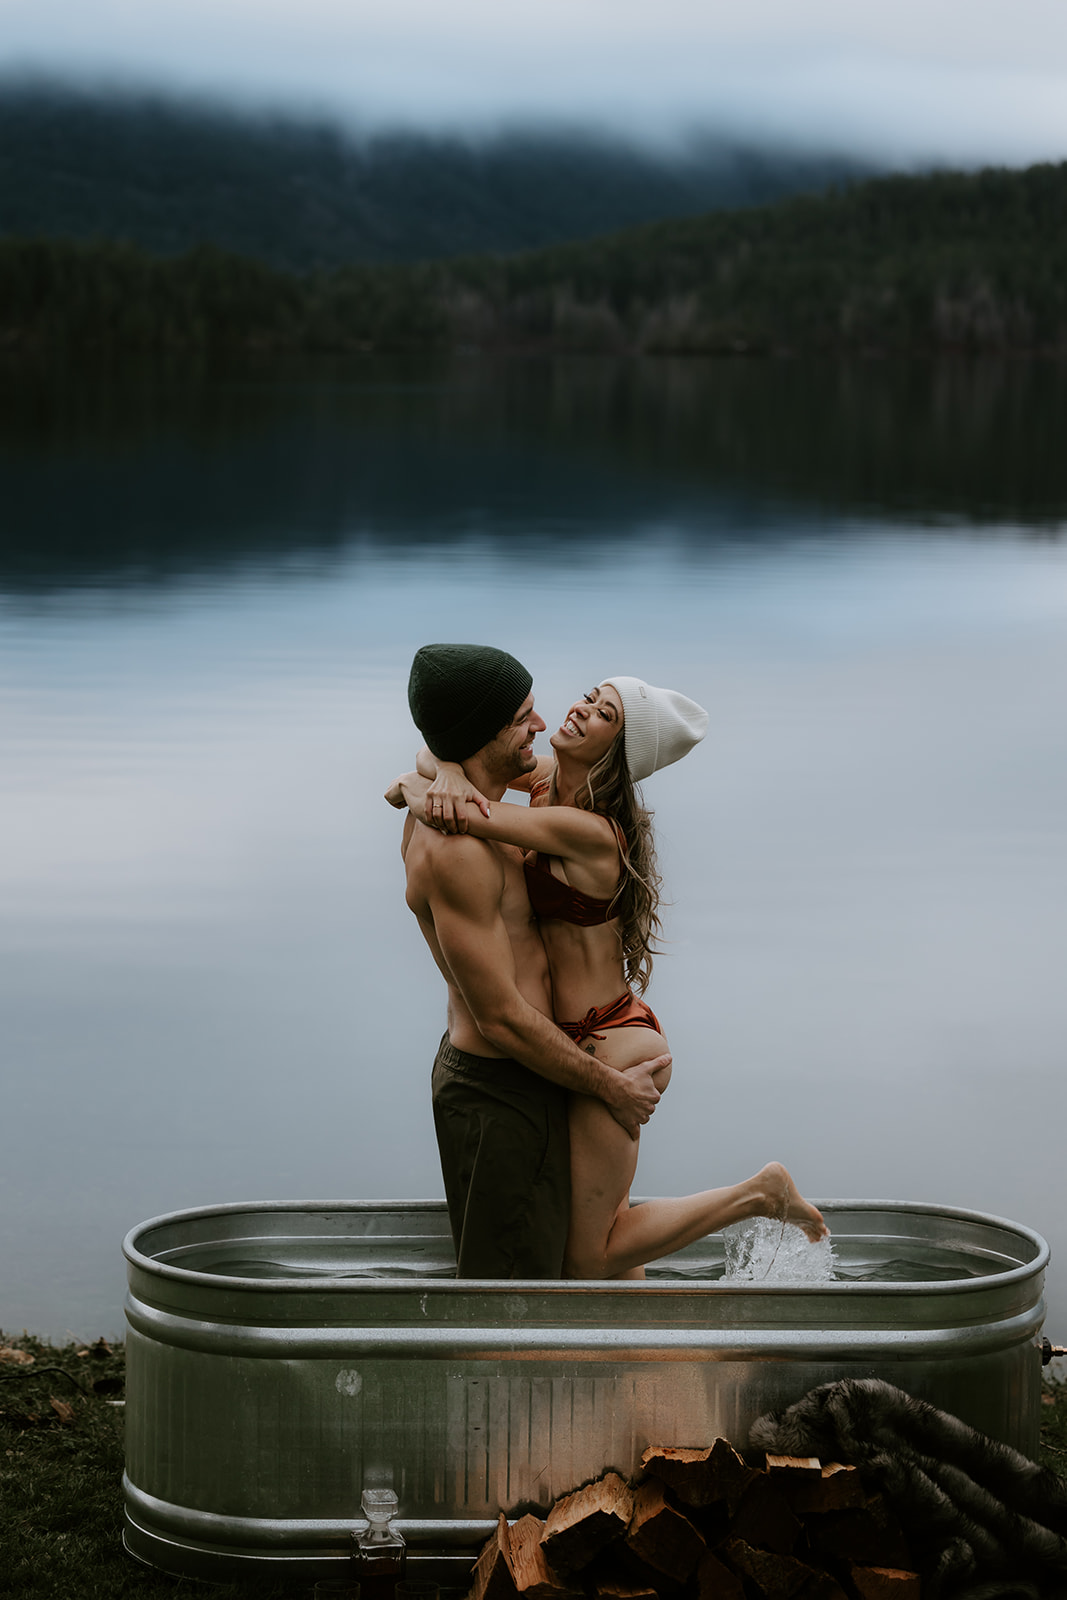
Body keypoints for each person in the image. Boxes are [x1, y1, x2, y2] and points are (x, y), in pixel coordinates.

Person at [392, 667, 827, 1280]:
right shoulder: (545, 786)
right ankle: (637, 1349)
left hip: (612, 1043)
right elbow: (438, 755)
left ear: (617, 754)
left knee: (591, 1251)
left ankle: (758, 1194)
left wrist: (422, 787)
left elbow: (469, 817)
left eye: (605, 715)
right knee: (601, 1224)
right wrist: (448, 770)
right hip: (575, 1035)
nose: (580, 710)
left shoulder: (589, 830)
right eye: (592, 697)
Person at [390, 643, 672, 1280]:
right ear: (487, 732)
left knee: (572, 1269)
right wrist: (608, 1086)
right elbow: (502, 1019)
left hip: (550, 1065)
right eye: (523, 717)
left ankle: (639, 1368)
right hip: (506, 1085)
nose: (543, 725)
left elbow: (443, 768)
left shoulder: (526, 810)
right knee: (519, 1297)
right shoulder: (457, 848)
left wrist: (435, 777)